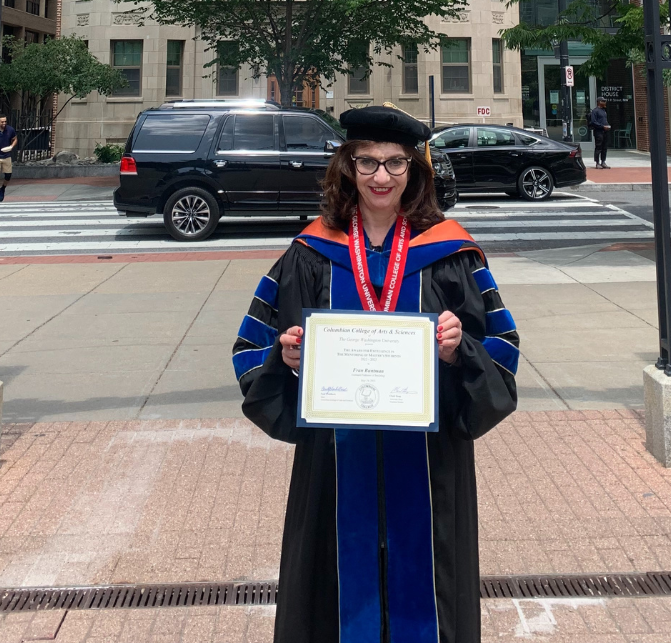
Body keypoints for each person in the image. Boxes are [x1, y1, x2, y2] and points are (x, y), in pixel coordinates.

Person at [232, 106, 519, 643]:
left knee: (428, 583)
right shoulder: (310, 252)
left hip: (430, 463)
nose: (380, 176)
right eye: (367, 162)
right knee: (337, 591)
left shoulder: (450, 252)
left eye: (394, 163)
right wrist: (284, 358)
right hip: (336, 461)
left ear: (414, 170)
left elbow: (502, 350)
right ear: (348, 166)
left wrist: (460, 350)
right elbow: (251, 347)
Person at [0, 115, 17, 201]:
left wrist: (11, 146)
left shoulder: (10, 130)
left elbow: (15, 139)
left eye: (5, 121)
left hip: (7, 155)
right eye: (2, 122)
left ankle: (3, 188)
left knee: (8, 175)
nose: (4, 123)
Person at [589, 96, 611, 169]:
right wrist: (602, 126)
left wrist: (607, 126)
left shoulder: (604, 110)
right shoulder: (595, 111)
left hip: (605, 131)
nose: (605, 102)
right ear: (599, 102)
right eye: (603, 101)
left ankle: (603, 162)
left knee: (604, 147)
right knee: (598, 147)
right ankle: (597, 163)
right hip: (598, 132)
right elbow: (593, 122)